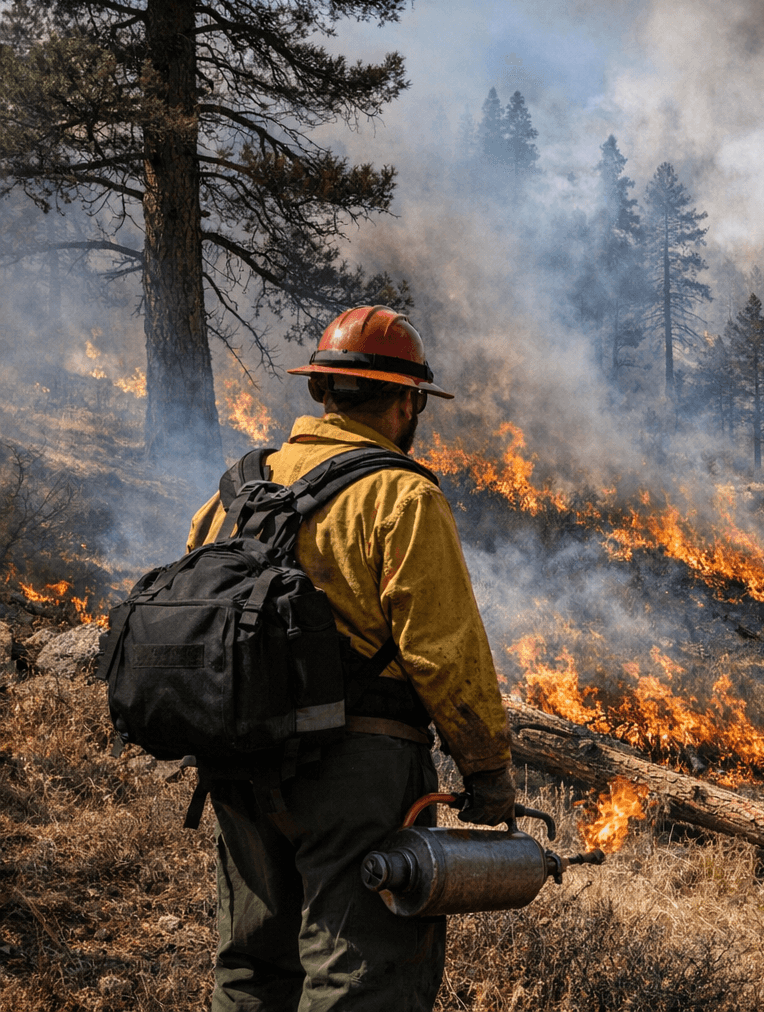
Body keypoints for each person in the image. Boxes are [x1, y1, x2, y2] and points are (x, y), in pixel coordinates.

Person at [183, 306, 517, 1011]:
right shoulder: (402, 495)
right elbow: (443, 653)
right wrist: (487, 769)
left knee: (251, 969)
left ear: (321, 390)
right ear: (406, 402)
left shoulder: (237, 490)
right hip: (357, 771)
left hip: (238, 760)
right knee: (362, 974)